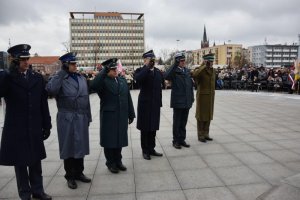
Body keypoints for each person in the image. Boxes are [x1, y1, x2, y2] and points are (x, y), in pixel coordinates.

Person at [0, 44, 52, 200]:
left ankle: (38, 190)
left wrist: (47, 124)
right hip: (17, 127)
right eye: (22, 60)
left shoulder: (37, 78)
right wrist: (9, 73)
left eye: (27, 59)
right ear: (15, 61)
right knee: (20, 162)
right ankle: (25, 193)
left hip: (34, 125)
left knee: (35, 160)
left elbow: (43, 102)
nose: (26, 62)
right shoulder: (8, 78)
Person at [46, 52, 92, 189]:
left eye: (75, 63)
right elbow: (51, 90)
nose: (75, 66)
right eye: (72, 64)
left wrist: (88, 116)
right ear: (65, 65)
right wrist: (61, 73)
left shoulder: (81, 78)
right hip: (67, 118)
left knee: (80, 146)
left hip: (81, 116)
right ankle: (70, 176)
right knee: (69, 147)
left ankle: (79, 172)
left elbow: (86, 99)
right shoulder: (60, 78)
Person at [91, 58, 135, 173]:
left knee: (119, 139)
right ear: (107, 71)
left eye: (115, 68)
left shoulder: (122, 80)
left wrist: (131, 113)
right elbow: (93, 86)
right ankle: (110, 163)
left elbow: (128, 98)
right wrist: (103, 71)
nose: (115, 71)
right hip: (109, 116)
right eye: (112, 69)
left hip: (121, 115)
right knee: (110, 140)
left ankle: (118, 161)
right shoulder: (103, 82)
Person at [134, 50, 164, 160]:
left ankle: (152, 148)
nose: (152, 62)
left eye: (153, 60)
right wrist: (147, 68)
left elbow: (161, 85)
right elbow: (138, 80)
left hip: (155, 104)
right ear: (145, 60)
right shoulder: (140, 71)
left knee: (153, 128)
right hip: (145, 105)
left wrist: (159, 103)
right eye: (150, 60)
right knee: (145, 128)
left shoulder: (157, 72)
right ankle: (145, 150)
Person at [164, 51, 194, 149]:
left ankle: (182, 139)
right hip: (178, 101)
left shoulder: (187, 71)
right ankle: (176, 141)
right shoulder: (174, 71)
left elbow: (190, 86)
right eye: (181, 60)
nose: (183, 62)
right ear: (177, 61)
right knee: (177, 122)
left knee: (183, 122)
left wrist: (192, 98)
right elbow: (166, 76)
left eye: (184, 60)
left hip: (186, 101)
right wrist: (174, 65)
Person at [192, 53, 216, 143]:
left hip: (211, 97)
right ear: (206, 61)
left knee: (209, 115)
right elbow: (194, 75)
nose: (211, 63)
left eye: (212, 61)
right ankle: (200, 135)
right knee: (201, 116)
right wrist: (203, 65)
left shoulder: (213, 71)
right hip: (202, 96)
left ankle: (206, 133)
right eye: (210, 61)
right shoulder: (200, 70)